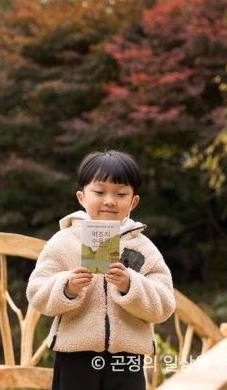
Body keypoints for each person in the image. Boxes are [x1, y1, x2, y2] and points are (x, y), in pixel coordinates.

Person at [26, 150, 175, 390]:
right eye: (99, 192)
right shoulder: (63, 241)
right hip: (75, 356)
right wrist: (67, 287)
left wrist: (131, 285)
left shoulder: (143, 247)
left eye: (121, 194)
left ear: (133, 201)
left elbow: (165, 305)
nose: (109, 200)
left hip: (127, 360)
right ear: (81, 197)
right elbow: (36, 293)